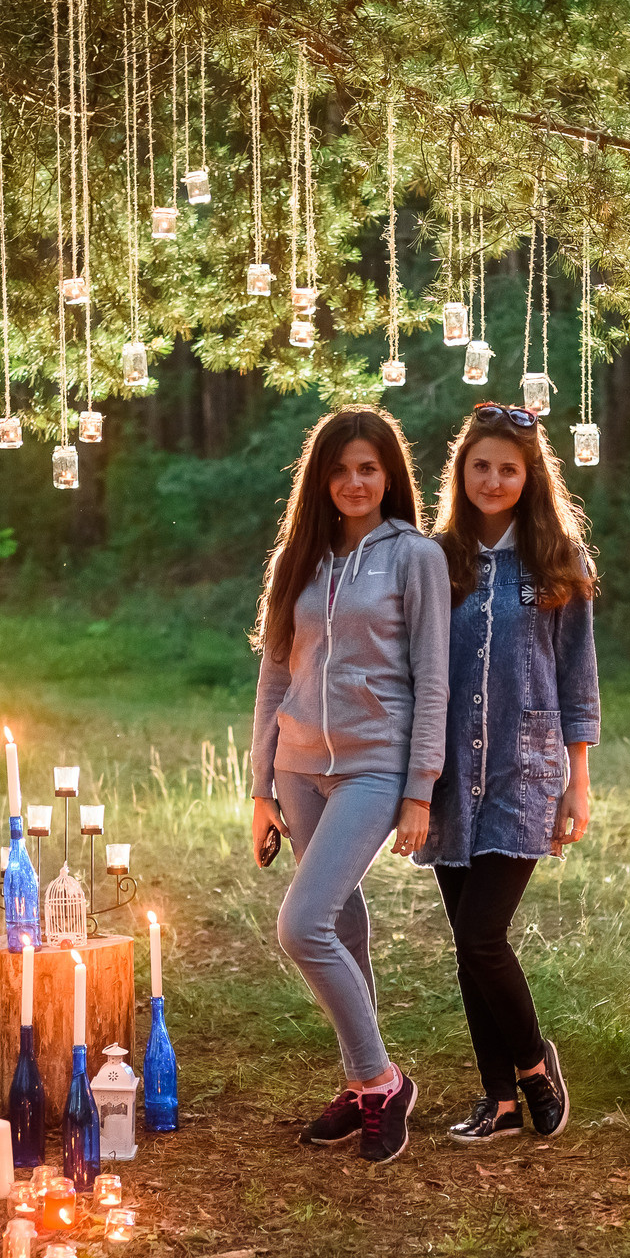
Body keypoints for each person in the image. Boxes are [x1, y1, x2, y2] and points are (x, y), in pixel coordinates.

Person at [249, 406, 450, 1165]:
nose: (355, 481)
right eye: (340, 470)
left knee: (303, 925)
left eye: (368, 468)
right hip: (300, 767)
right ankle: (363, 1082)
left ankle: (381, 1079)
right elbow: (274, 675)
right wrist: (261, 786)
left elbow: (433, 679)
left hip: (375, 764)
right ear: (321, 481)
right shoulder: (300, 557)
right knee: (344, 923)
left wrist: (420, 788)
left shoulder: (414, 557)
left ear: (390, 474)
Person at [414, 403, 600, 1143]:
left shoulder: (559, 562)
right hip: (451, 777)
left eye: (508, 469)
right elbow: (418, 671)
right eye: (481, 465)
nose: (493, 479)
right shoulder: (437, 560)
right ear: (462, 471)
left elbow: (576, 677)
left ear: (530, 477)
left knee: (483, 934)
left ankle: (531, 1064)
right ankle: (494, 1099)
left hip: (526, 774)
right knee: (467, 938)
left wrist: (575, 781)